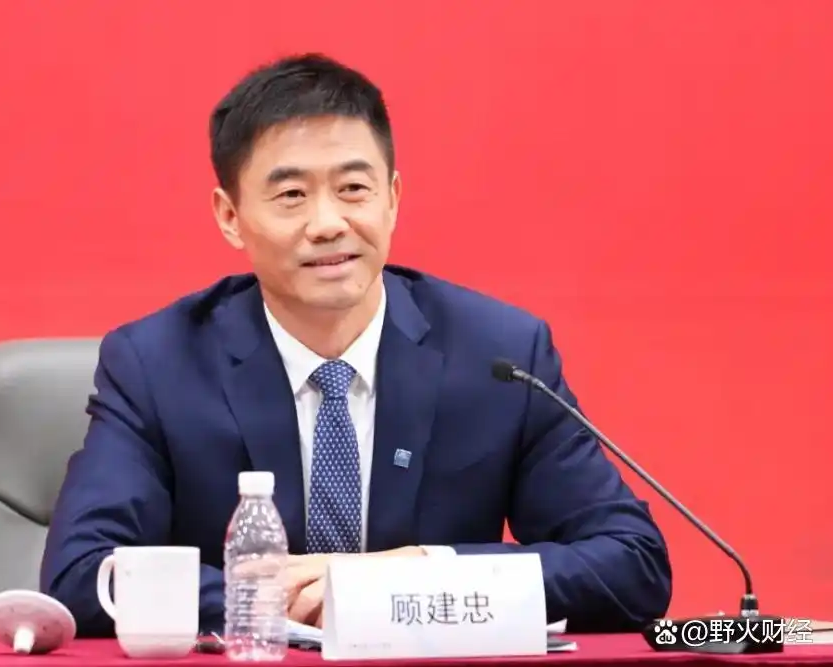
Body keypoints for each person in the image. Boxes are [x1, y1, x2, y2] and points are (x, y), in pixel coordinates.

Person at [40, 53, 672, 637]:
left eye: (353, 189)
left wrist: (412, 575)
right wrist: (269, 599)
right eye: (291, 196)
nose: (327, 223)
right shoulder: (156, 364)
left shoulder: (501, 355)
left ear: (392, 198)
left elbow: (632, 566)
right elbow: (82, 574)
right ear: (230, 216)